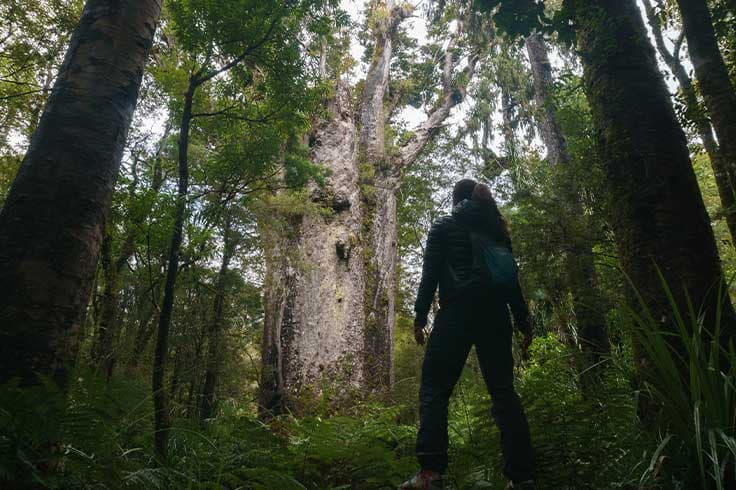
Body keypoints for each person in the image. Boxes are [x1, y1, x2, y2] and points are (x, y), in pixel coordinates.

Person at [400, 179, 535, 490]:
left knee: (435, 388)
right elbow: (511, 280)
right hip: (496, 315)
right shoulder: (496, 228)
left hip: (456, 313)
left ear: (455, 199)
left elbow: (430, 273)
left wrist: (421, 316)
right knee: (503, 392)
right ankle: (523, 476)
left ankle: (430, 474)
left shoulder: (444, 225)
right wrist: (523, 321)